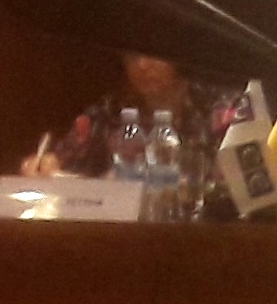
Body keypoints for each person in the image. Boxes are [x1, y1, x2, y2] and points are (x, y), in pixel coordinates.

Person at [20, 51, 251, 216]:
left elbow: (241, 191)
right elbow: (60, 165)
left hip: (206, 242)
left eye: (153, 54)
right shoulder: (109, 112)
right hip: (123, 244)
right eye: (131, 56)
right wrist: (44, 167)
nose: (141, 65)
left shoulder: (223, 110)